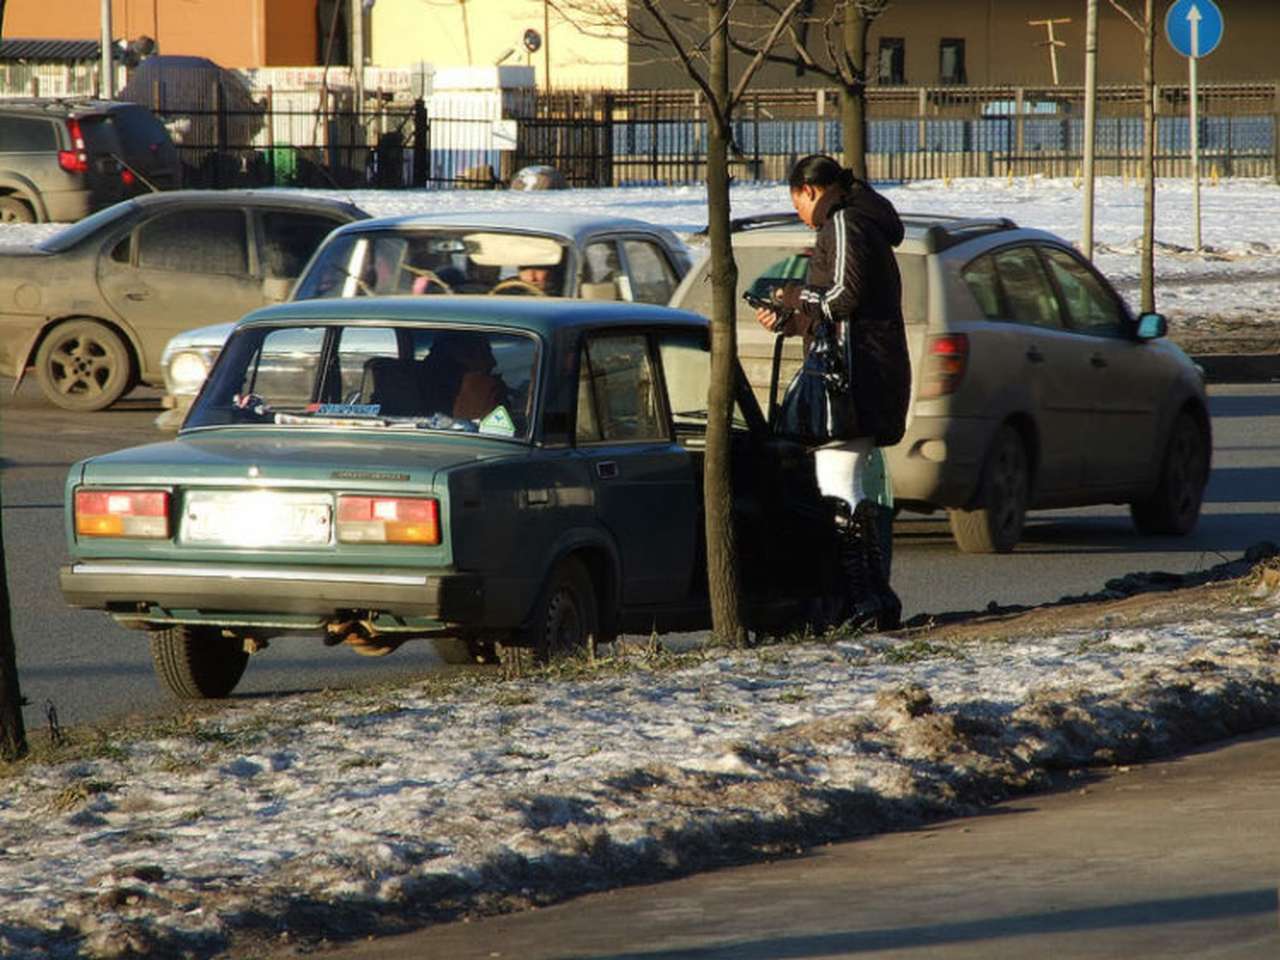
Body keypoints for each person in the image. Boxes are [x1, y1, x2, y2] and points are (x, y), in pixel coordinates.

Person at [755, 154, 911, 631]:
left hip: (853, 380)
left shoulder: (843, 223)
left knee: (837, 486)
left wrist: (790, 296)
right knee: (851, 485)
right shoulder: (860, 221)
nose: (800, 215)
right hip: (867, 373)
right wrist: (791, 320)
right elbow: (838, 311)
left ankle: (862, 603)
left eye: (796, 203)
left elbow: (843, 296)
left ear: (810, 191)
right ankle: (872, 600)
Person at [420, 332, 508, 421]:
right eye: (485, 352)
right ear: (462, 356)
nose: (493, 362)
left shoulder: (420, 391)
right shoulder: (483, 390)